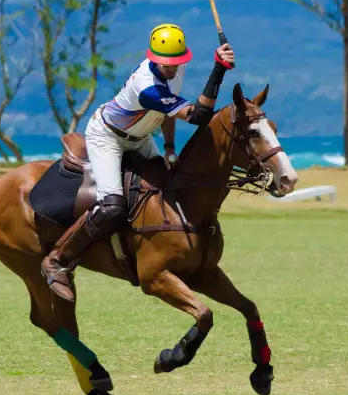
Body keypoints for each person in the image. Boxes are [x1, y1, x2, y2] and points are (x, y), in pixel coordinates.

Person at [42, 23, 235, 301]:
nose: (172, 68)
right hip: (108, 136)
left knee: (171, 184)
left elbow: (169, 112)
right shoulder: (147, 87)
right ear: (153, 57)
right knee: (111, 207)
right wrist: (218, 70)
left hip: (141, 136)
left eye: (176, 62)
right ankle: (58, 261)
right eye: (166, 64)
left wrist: (169, 148)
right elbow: (197, 117)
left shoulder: (176, 70)